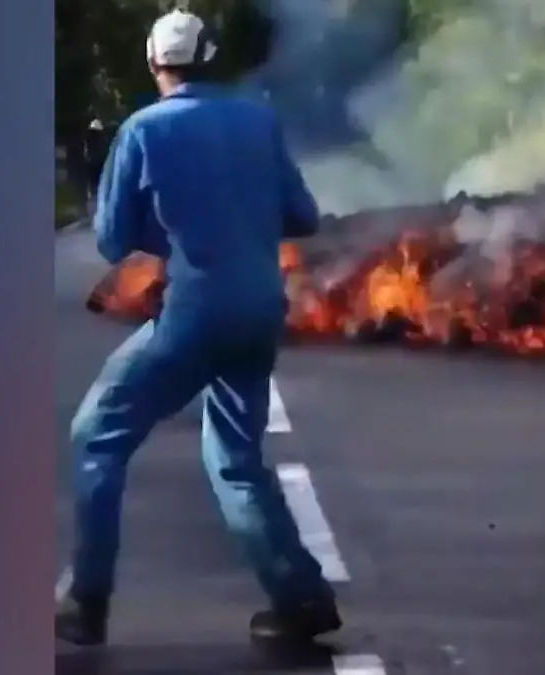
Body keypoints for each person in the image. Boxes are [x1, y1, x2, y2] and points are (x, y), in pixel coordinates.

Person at [55, 9, 342, 647]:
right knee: (235, 459)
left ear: (154, 64)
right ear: (209, 60)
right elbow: (302, 215)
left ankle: (86, 600)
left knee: (97, 436)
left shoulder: (143, 130)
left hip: (193, 312)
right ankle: (299, 596)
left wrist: (170, 232)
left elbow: (112, 240)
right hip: (259, 309)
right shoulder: (258, 121)